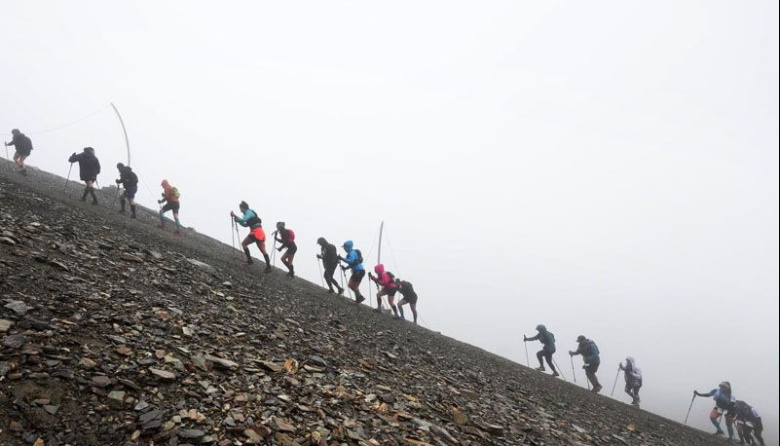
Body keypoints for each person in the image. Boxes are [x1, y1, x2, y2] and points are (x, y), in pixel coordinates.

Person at [231, 201, 272, 273]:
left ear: (243, 208)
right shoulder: (251, 215)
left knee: (244, 244)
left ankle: (250, 260)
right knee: (263, 250)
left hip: (255, 232)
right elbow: (245, 224)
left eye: (241, 209)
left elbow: (244, 220)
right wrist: (237, 220)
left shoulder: (248, 212)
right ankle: (268, 267)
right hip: (261, 232)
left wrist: (235, 216)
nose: (241, 211)